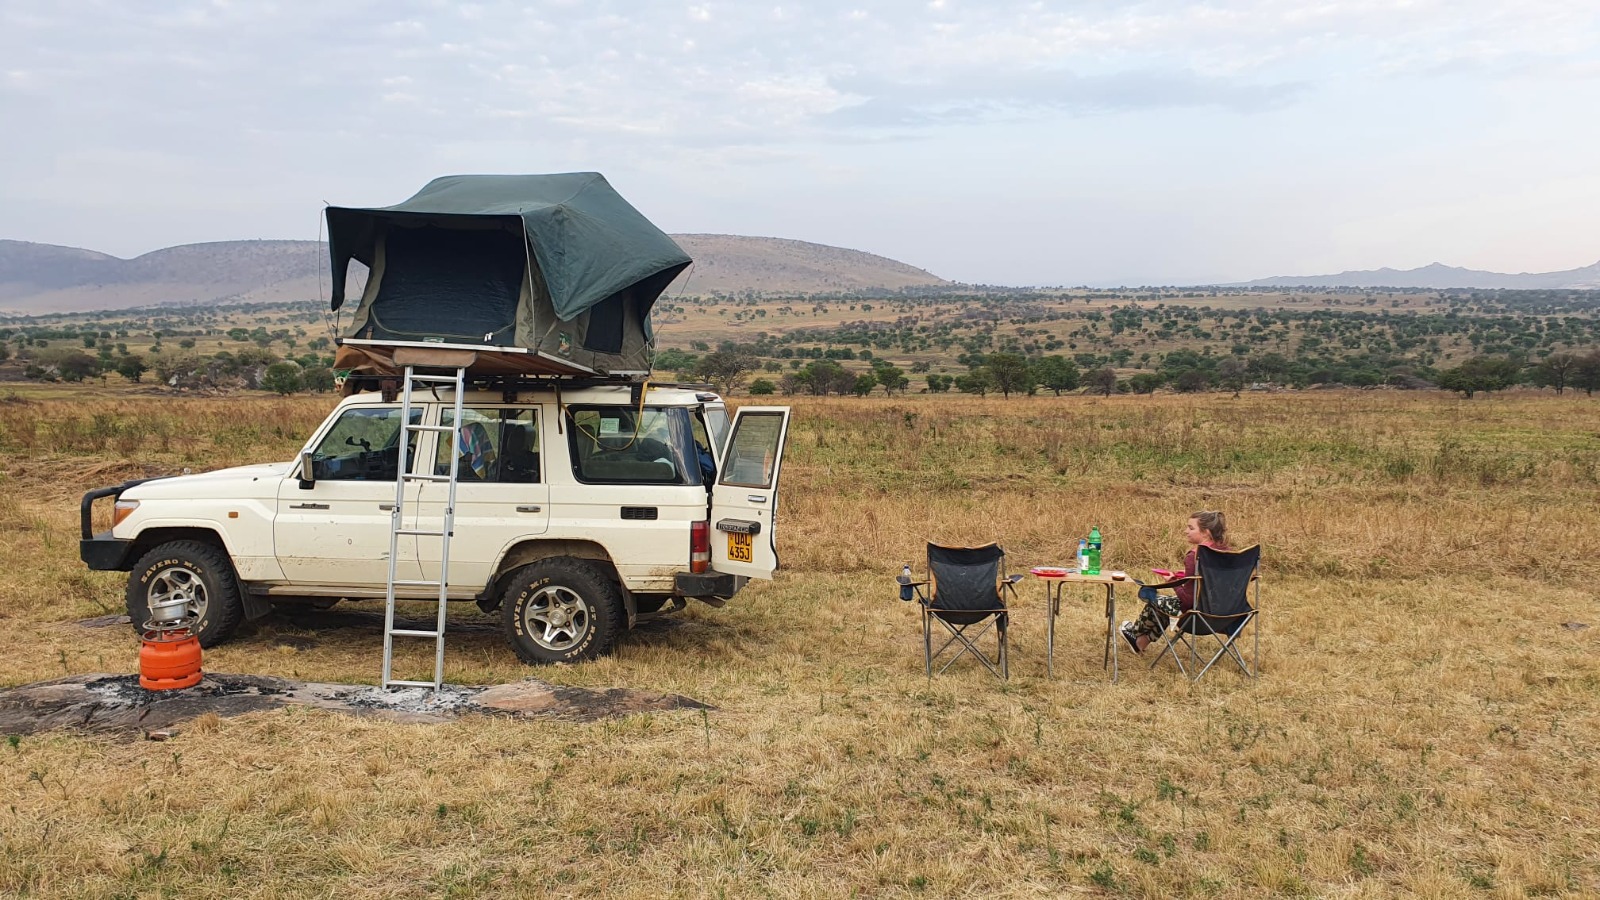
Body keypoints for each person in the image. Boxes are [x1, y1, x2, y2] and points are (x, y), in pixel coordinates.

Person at [1121, 510, 1231, 654]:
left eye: (1191, 528)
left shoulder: (1194, 557)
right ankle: (1140, 642)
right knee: (1166, 603)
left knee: (1155, 599)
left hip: (1199, 618)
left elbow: (1186, 601)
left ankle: (1134, 632)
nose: (1186, 531)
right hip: (1229, 614)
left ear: (1206, 532)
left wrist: (1174, 581)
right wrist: (1187, 578)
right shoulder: (1228, 553)